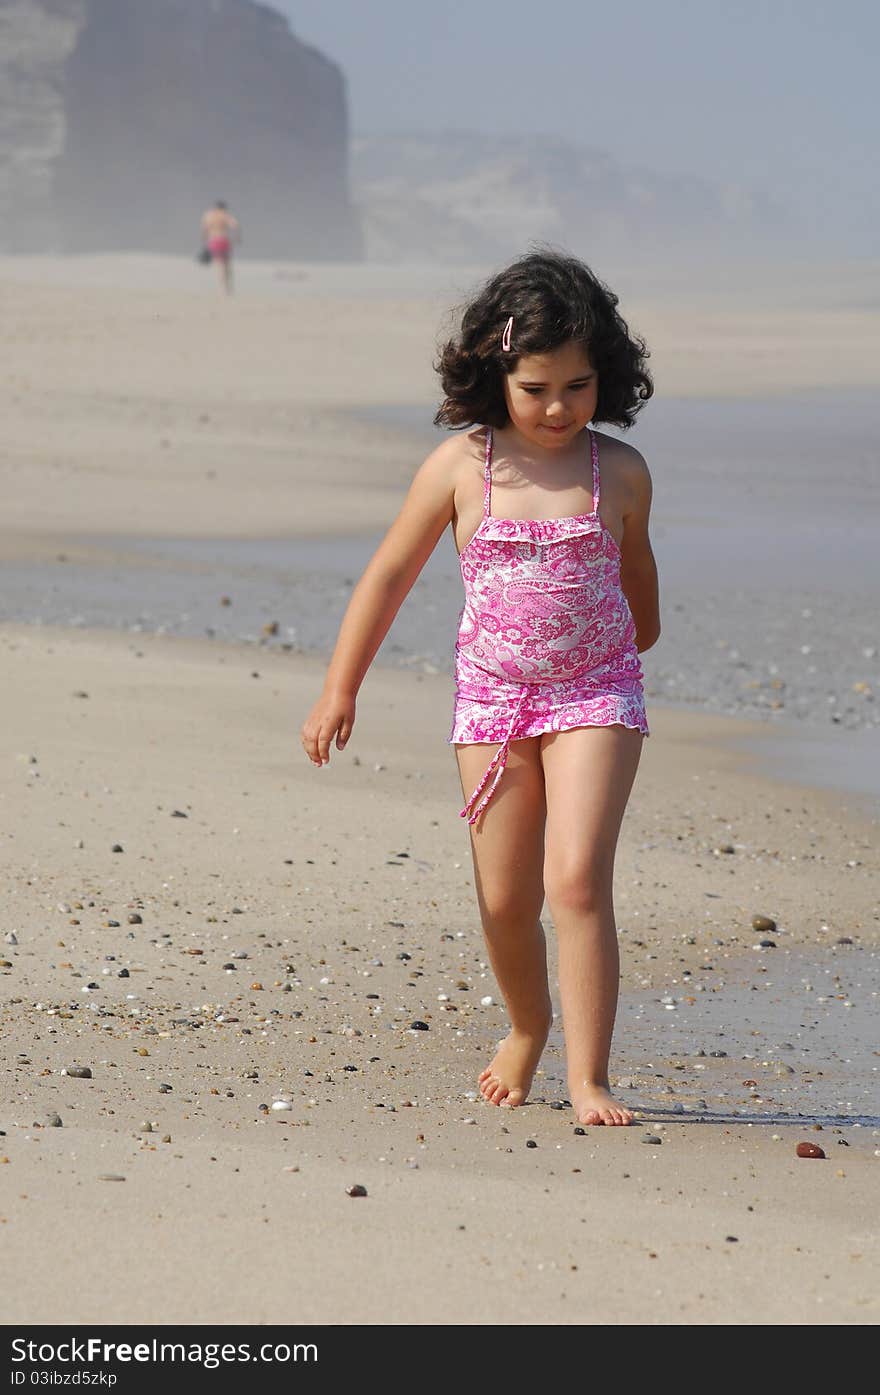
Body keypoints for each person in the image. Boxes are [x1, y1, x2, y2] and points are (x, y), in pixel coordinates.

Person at [301, 250, 660, 1126]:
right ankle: (527, 1024)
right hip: (493, 703)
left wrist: (628, 647)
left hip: (595, 694)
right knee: (504, 896)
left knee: (575, 879)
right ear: (496, 371)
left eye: (577, 386)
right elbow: (388, 575)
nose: (557, 407)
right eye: (536, 387)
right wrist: (339, 689)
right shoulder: (462, 466)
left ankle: (590, 1076)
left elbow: (638, 580)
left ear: (602, 378)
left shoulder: (619, 472)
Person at [200, 199, 240, 293]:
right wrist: (237, 238)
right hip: (224, 240)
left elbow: (204, 229)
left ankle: (222, 288)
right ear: (224, 207)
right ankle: (228, 287)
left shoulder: (208, 215)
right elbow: (236, 225)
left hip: (213, 241)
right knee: (227, 264)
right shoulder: (225, 215)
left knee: (219, 265)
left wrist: (205, 241)